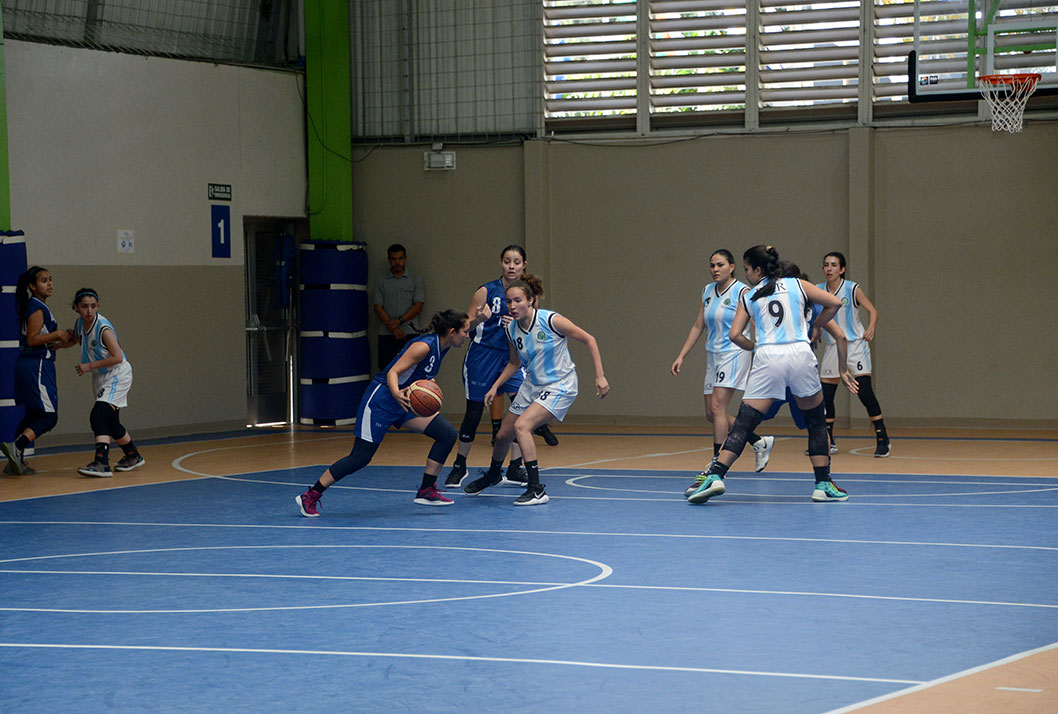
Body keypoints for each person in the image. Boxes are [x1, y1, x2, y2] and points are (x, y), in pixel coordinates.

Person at [687, 245, 858, 505]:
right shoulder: (798, 285)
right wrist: (817, 325)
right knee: (815, 422)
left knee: (744, 423)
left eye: (746, 269)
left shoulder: (751, 294)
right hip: (800, 354)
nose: (745, 274)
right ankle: (823, 484)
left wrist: (756, 347)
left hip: (768, 358)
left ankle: (716, 475)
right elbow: (834, 303)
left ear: (758, 270)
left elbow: (735, 335)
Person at [296, 310, 470, 517]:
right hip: (382, 400)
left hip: (405, 402)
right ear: (452, 332)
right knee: (360, 457)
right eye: (465, 332)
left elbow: (419, 371)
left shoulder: (444, 345)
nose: (468, 335)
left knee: (447, 434)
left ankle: (426, 489)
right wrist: (396, 392)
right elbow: (393, 372)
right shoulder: (423, 346)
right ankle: (311, 494)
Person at [463, 276, 608, 506]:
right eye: (509, 301)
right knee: (502, 435)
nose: (512, 306)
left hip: (560, 385)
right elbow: (513, 363)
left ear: (530, 300)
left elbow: (589, 339)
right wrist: (495, 386)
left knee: (523, 426)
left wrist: (599, 375)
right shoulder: (511, 329)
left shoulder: (550, 320)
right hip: (532, 385)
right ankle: (493, 474)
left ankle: (536, 489)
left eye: (518, 300)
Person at [671, 249, 775, 498]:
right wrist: (682, 355)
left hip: (735, 352)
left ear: (731, 267)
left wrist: (759, 347)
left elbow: (754, 323)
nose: (715, 269)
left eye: (720, 265)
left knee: (718, 408)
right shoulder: (707, 291)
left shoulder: (742, 291)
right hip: (713, 354)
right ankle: (758, 441)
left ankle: (716, 468)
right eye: (711, 265)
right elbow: (699, 325)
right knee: (711, 413)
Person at [444, 245, 531, 489]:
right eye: (507, 261)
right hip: (482, 356)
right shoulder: (485, 291)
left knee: (523, 410)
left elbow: (532, 324)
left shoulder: (526, 293)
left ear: (524, 265)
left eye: (516, 262)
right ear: (500, 263)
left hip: (511, 357)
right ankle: (460, 465)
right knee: (473, 411)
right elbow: (466, 326)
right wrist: (480, 319)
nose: (511, 266)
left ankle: (515, 467)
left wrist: (517, 323)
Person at [1, 266, 76, 475]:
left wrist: (65, 339)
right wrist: (57, 334)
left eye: (51, 279)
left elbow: (42, 339)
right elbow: (34, 339)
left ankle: (15, 462)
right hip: (37, 366)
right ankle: (17, 447)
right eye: (44, 280)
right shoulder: (37, 307)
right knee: (49, 416)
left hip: (26, 365)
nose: (50, 283)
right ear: (32, 286)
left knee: (32, 415)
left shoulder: (34, 306)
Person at [815, 252, 891, 457]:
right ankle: (829, 439)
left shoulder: (852, 288)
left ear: (842, 269)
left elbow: (872, 310)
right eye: (826, 265)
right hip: (833, 347)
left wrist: (872, 327)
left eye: (833, 265)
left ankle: (882, 436)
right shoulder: (818, 290)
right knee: (826, 396)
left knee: (864, 392)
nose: (829, 268)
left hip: (855, 345)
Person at [70, 288, 145, 477]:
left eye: (93, 306)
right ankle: (133, 456)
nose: (89, 310)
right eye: (85, 306)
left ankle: (102, 462)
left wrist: (89, 365)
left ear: (97, 307)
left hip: (117, 373)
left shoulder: (103, 327)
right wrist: (56, 343)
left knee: (98, 415)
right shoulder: (80, 324)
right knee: (110, 422)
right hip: (100, 376)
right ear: (76, 308)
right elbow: (76, 338)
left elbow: (118, 357)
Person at [373, 243, 425, 371]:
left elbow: (418, 305)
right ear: (389, 260)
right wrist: (393, 328)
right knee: (385, 369)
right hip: (386, 333)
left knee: (411, 370)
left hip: (409, 332)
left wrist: (399, 321)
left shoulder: (415, 280)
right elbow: (377, 307)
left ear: (405, 258)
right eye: (394, 259)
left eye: (400, 258)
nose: (397, 262)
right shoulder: (381, 281)